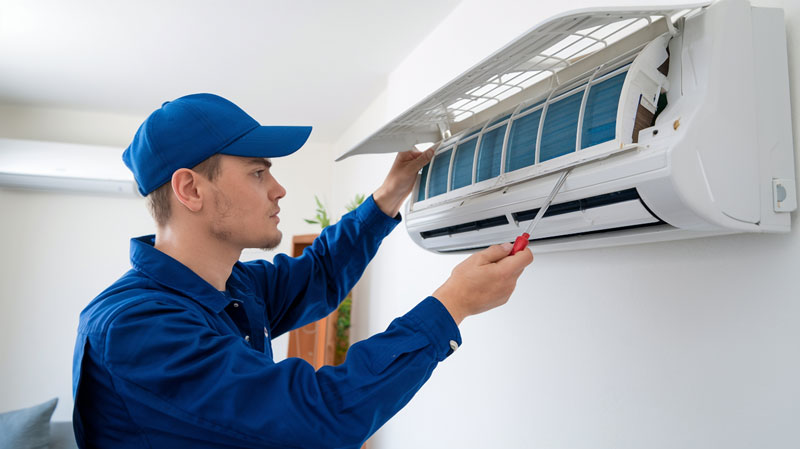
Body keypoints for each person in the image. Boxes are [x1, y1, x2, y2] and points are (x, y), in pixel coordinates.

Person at [72, 93, 533, 449]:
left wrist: (387, 197)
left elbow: (320, 271)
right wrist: (452, 305)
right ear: (190, 189)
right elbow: (317, 419)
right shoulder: (136, 328)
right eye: (258, 173)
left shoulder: (232, 286)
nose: (279, 189)